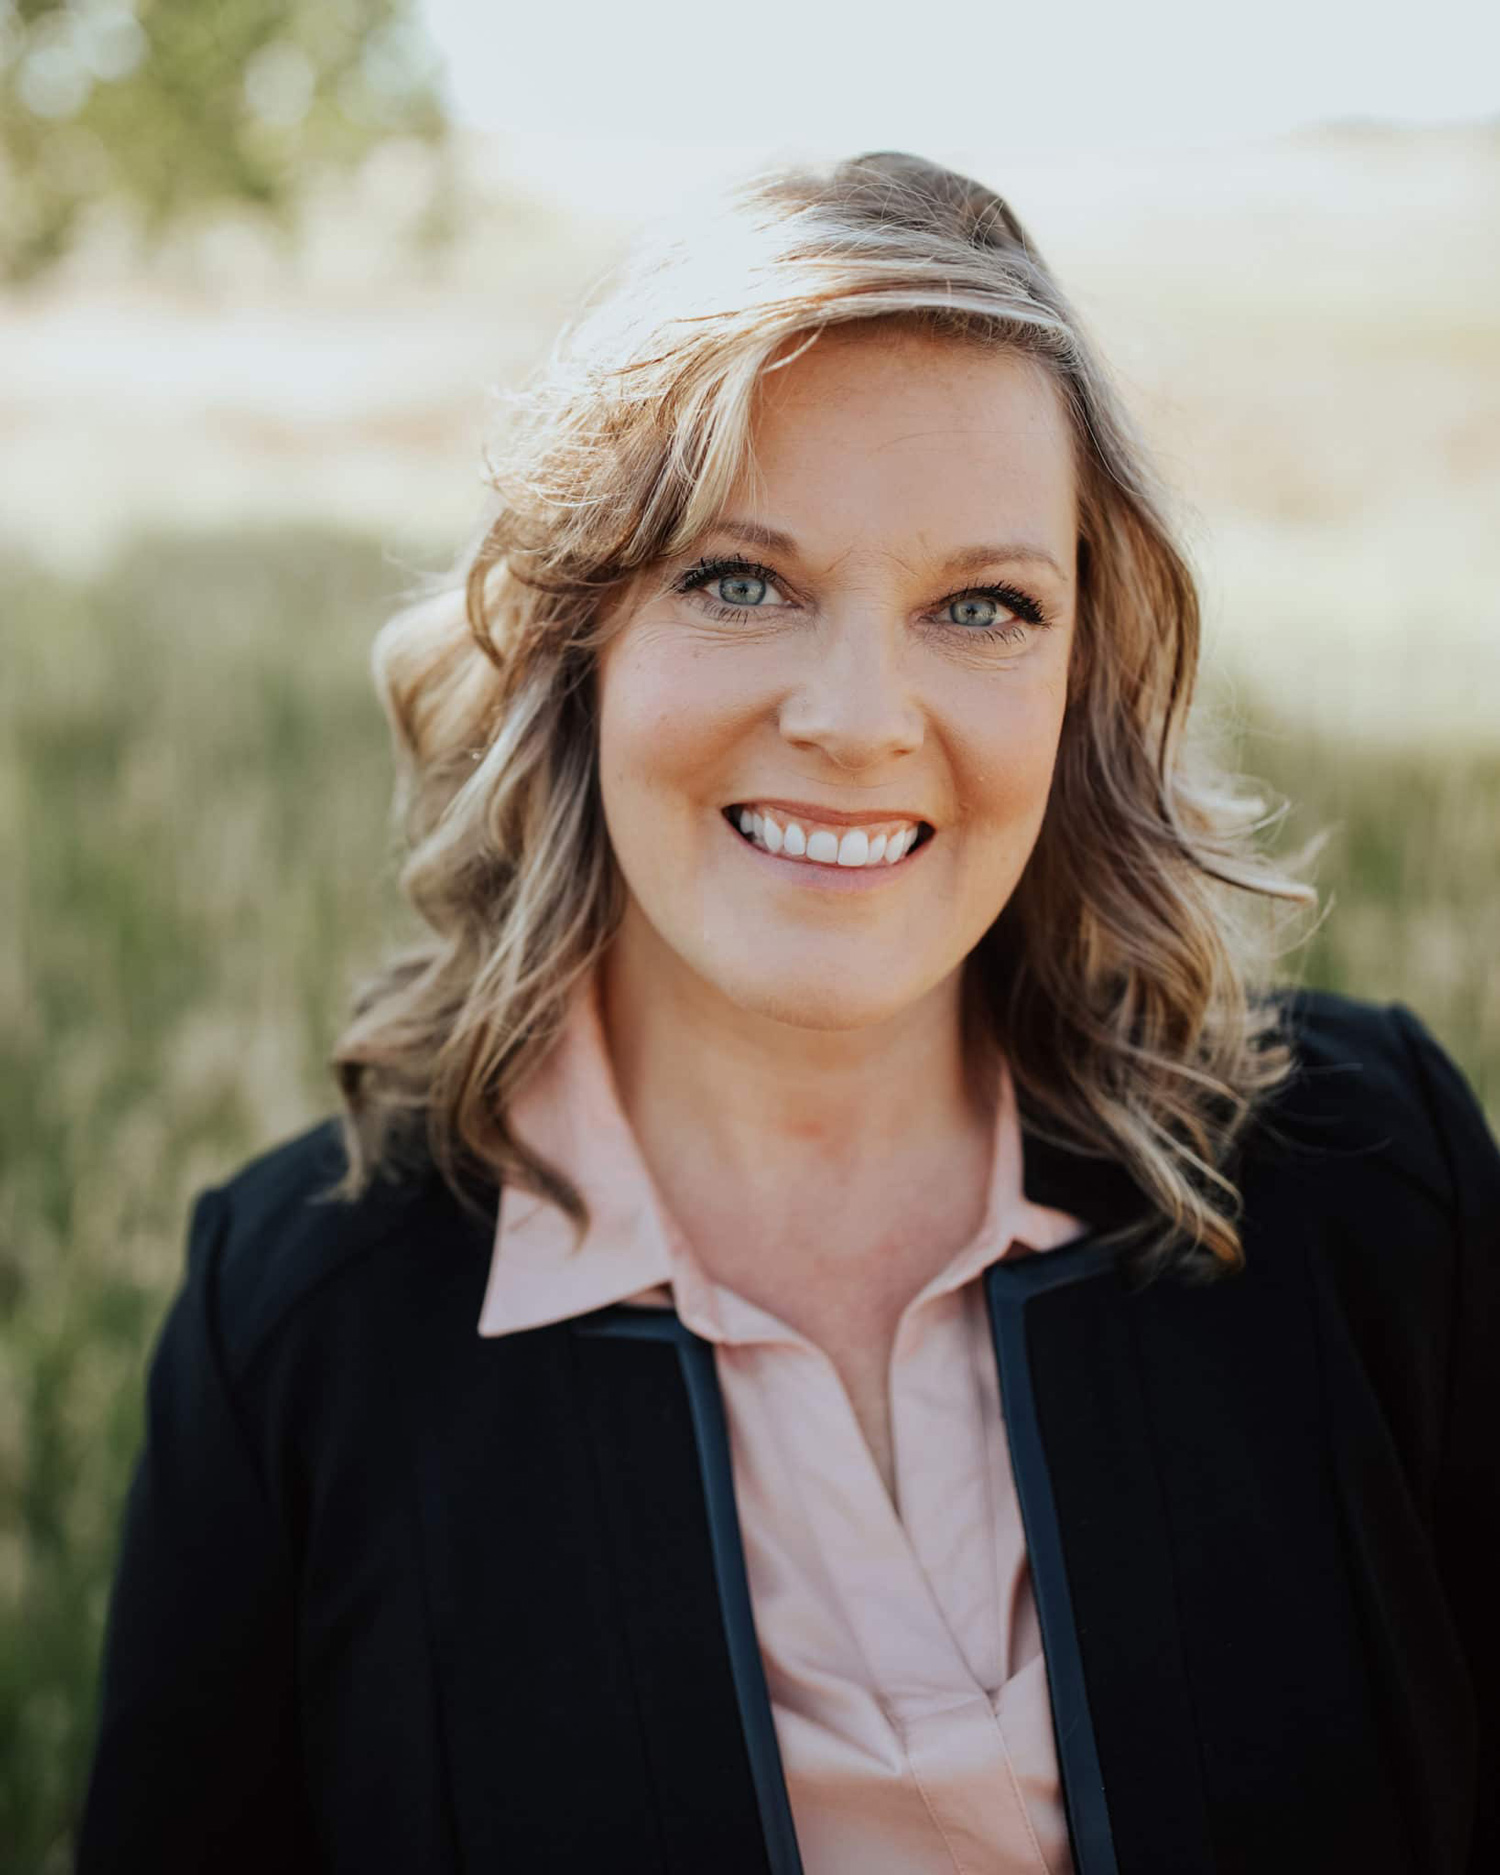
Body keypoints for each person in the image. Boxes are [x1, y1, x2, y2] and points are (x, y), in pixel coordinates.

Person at [76, 151, 1497, 1875]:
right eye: (741, 579)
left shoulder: (1371, 1175)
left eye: (982, 605)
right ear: (575, 633)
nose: (859, 717)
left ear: (1082, 679)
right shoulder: (298, 1322)